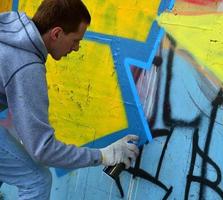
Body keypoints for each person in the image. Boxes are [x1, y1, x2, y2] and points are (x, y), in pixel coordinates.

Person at [0, 0, 139, 199]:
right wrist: (102, 155)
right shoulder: (25, 66)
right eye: (75, 40)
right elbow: (43, 149)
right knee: (37, 181)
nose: (76, 48)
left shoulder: (8, 29)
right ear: (56, 34)